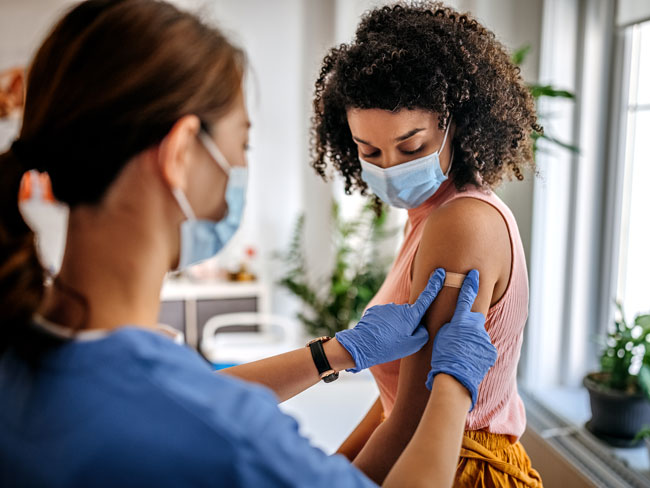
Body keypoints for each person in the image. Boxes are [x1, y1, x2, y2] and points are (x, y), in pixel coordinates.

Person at [0, 1, 497, 487]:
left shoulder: (23, 350)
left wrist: (336, 352)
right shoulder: (227, 436)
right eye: (242, 142)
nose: (241, 166)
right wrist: (452, 386)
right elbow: (194, 409)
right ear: (179, 154)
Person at [311, 2, 544, 486]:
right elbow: (392, 403)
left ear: (454, 122)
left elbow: (414, 420)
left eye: (411, 147)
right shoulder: (426, 216)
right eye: (369, 151)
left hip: (457, 467)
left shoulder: (461, 224)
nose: (391, 167)